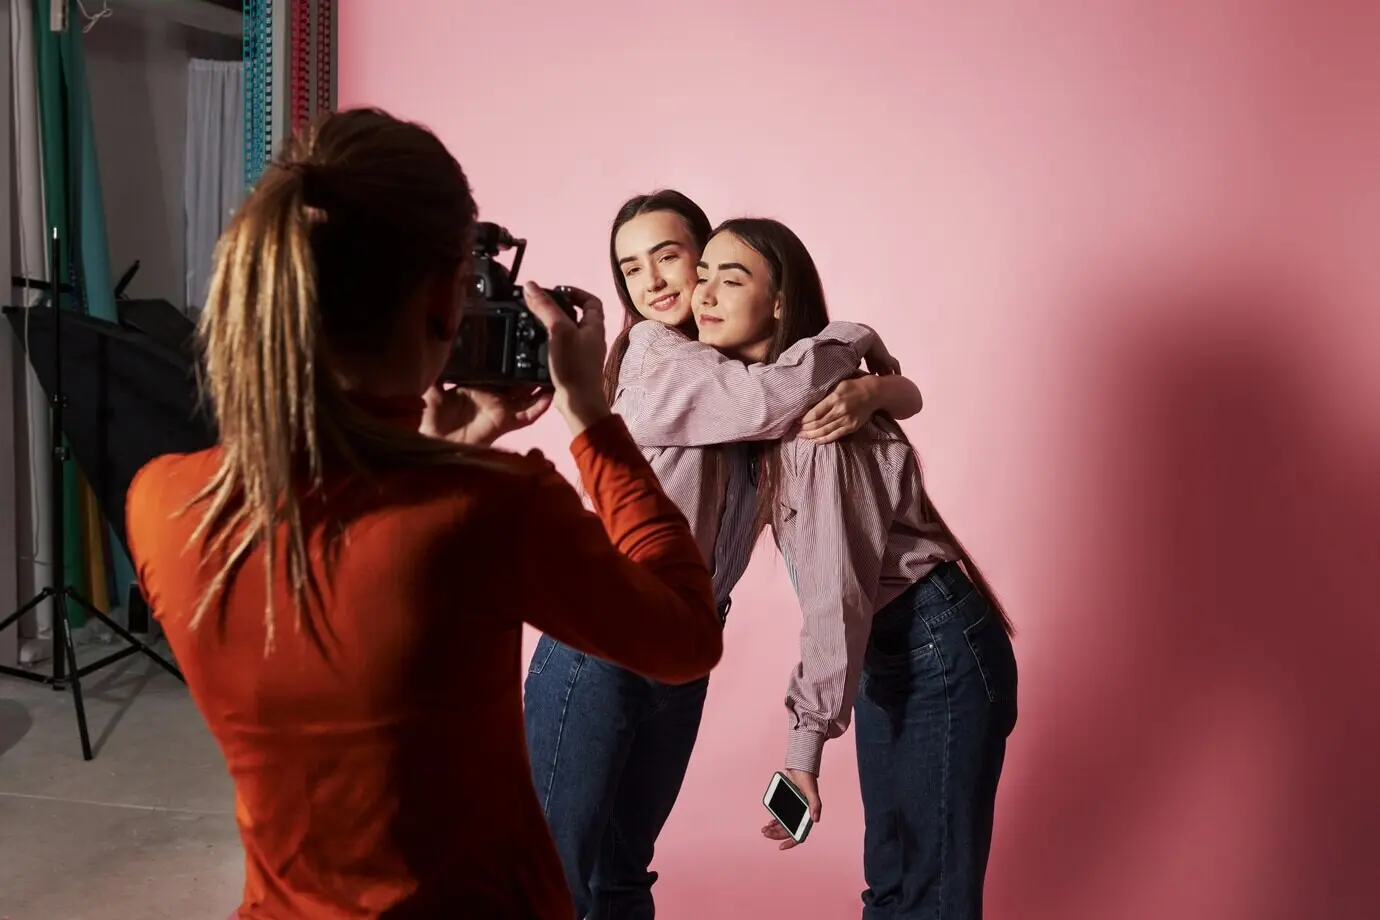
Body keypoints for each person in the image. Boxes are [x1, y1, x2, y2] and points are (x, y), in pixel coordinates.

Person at [123, 109, 726, 920]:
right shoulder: (491, 506)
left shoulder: (161, 501)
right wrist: (591, 416)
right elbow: (687, 637)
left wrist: (447, 442)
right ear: (447, 300)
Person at [524, 190, 926, 918]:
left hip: (682, 647)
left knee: (622, 872)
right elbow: (777, 392)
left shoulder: (740, 379)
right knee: (556, 874)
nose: (653, 283)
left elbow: (804, 398)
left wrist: (881, 389)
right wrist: (858, 345)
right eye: (630, 268)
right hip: (601, 638)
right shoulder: (656, 356)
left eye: (670, 257)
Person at [669, 217, 1020, 918]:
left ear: (778, 301)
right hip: (891, 648)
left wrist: (803, 750)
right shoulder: (771, 398)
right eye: (702, 272)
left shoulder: (813, 427)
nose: (703, 292)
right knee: (893, 886)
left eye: (730, 278)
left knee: (929, 895)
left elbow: (838, 600)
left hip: (933, 644)